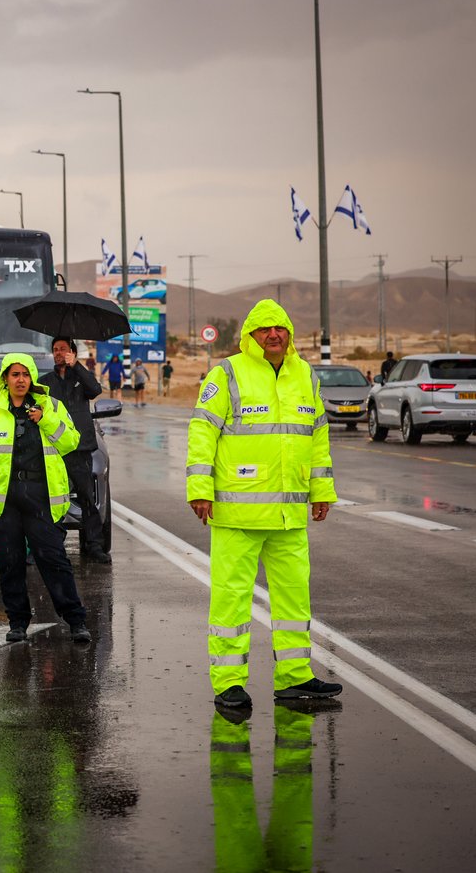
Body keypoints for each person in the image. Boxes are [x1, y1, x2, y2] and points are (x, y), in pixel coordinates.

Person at [187, 298, 342, 709]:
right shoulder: (227, 373)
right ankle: (229, 683)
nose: (274, 335)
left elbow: (318, 438)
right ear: (250, 336)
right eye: (264, 329)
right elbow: (203, 431)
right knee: (231, 598)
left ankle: (295, 677)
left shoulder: (306, 376)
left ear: (289, 334)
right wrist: (199, 488)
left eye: (281, 328)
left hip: (289, 516)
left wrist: (322, 491)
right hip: (237, 513)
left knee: (294, 598)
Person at [0, 353, 92, 645]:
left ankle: (76, 620)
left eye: (25, 374)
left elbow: (71, 442)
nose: (20, 380)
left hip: (40, 496)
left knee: (53, 558)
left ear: (32, 377)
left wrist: (45, 420)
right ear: (5, 379)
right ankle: (17, 622)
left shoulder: (52, 406)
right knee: (10, 562)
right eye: (14, 374)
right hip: (5, 499)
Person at [42, 336, 110, 565]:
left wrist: (77, 366)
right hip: (54, 450)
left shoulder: (81, 379)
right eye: (55, 349)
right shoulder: (45, 382)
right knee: (51, 500)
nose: (59, 353)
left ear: (72, 352)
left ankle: (94, 546)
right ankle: (52, 546)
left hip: (81, 449)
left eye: (63, 349)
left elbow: (95, 389)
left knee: (87, 499)